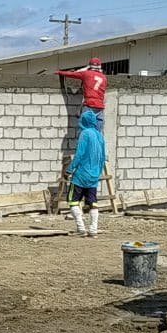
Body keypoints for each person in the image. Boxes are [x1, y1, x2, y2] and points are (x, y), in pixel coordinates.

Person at [66, 109, 106, 237]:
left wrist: (70, 169)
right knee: (92, 203)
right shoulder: (100, 135)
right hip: (93, 176)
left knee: (73, 201)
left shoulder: (85, 134)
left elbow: (79, 154)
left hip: (81, 175)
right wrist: (97, 172)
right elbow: (103, 157)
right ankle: (93, 229)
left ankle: (81, 227)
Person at [56, 57, 107, 126]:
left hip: (89, 105)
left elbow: (72, 74)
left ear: (90, 66)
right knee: (98, 129)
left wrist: (59, 72)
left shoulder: (86, 74)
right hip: (100, 107)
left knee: (85, 127)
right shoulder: (104, 78)